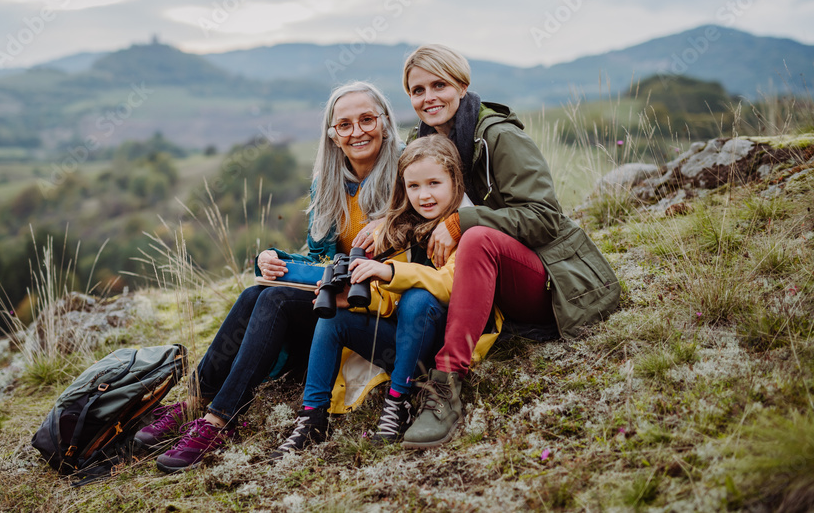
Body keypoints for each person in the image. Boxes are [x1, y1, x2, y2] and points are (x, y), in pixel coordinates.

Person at [137, 81, 402, 472]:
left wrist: (389, 224)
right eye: (344, 125)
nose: (357, 131)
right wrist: (274, 260)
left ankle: (217, 422)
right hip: (337, 297)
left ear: (384, 122)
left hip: (379, 306)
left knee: (274, 300)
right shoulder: (329, 184)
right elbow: (321, 259)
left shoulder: (406, 175)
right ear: (332, 136)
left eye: (366, 119)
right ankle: (195, 399)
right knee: (255, 293)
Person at [396, 44, 621, 449]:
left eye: (439, 85)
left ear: (462, 86)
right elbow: (421, 204)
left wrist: (461, 221)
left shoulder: (498, 136)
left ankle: (447, 388)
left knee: (477, 238)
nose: (428, 98)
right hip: (483, 284)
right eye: (417, 90)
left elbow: (545, 217)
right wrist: (385, 224)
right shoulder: (425, 141)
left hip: (548, 281)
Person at [271, 135, 468, 456]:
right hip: (404, 348)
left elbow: (448, 286)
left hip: (442, 352)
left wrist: (388, 273)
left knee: (420, 297)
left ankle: (398, 403)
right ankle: (312, 417)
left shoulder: (464, 229)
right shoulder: (402, 229)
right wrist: (353, 297)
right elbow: (390, 300)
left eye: (434, 183)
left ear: (454, 182)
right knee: (335, 314)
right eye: (414, 186)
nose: (425, 195)